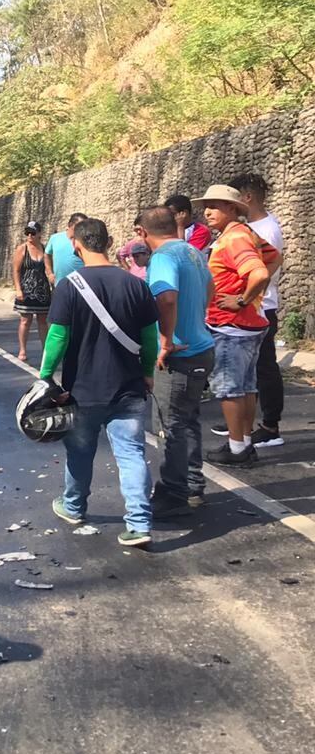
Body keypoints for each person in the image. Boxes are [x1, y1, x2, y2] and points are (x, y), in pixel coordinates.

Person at [38, 218, 158, 548]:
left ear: (76, 244)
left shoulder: (69, 285)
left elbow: (58, 337)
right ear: (107, 242)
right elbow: (150, 339)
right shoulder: (135, 284)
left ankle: (74, 507)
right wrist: (147, 371)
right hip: (128, 387)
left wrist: (45, 376)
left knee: (79, 451)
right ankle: (139, 523)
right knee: (132, 454)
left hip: (84, 390)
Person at [135, 206, 215, 517]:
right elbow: (210, 287)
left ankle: (174, 493)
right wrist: (196, 319)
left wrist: (165, 341)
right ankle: (193, 486)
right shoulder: (192, 252)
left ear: (143, 233)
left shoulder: (164, 257)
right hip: (201, 347)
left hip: (178, 355)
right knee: (188, 420)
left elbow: (166, 297)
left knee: (169, 426)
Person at [195, 185, 275, 466]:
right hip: (247, 324)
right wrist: (251, 298)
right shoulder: (242, 234)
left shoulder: (234, 239)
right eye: (207, 205)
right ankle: (243, 442)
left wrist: (242, 299)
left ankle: (237, 447)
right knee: (246, 387)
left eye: (214, 205)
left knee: (229, 389)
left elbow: (260, 272)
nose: (207, 211)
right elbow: (272, 257)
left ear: (232, 209)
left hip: (231, 325)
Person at [226, 173, 285, 448]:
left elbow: (266, 269)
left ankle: (270, 425)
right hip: (253, 306)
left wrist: (243, 298)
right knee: (250, 369)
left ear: (247, 198)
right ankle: (243, 421)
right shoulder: (252, 226)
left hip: (262, 307)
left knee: (264, 368)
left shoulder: (266, 229)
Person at [11, 221, 51, 363]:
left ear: (39, 234)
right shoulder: (22, 249)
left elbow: (48, 268)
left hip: (42, 290)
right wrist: (18, 289)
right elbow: (16, 270)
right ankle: (22, 349)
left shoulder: (44, 248)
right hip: (26, 289)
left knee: (42, 321)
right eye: (27, 232)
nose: (29, 235)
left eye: (33, 233)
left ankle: (45, 350)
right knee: (25, 320)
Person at [44, 213, 86, 285]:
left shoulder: (85, 241)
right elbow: (47, 255)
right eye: (79, 226)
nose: (82, 229)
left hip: (81, 286)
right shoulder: (55, 238)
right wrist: (50, 273)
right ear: (70, 224)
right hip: (59, 285)